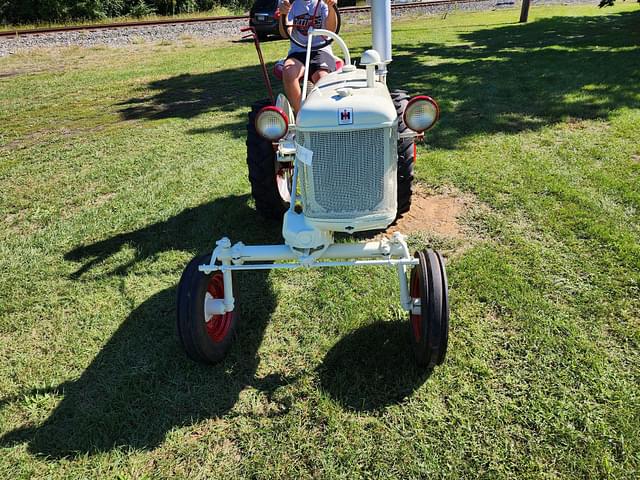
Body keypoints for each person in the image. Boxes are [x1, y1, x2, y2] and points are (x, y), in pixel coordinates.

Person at [278, 0, 339, 113]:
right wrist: (284, 14)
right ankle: (301, 115)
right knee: (288, 72)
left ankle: (324, 114)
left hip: (320, 50)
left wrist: (331, 8)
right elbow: (285, 33)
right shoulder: (292, 4)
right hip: (298, 51)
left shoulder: (323, 3)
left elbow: (331, 30)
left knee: (323, 79)